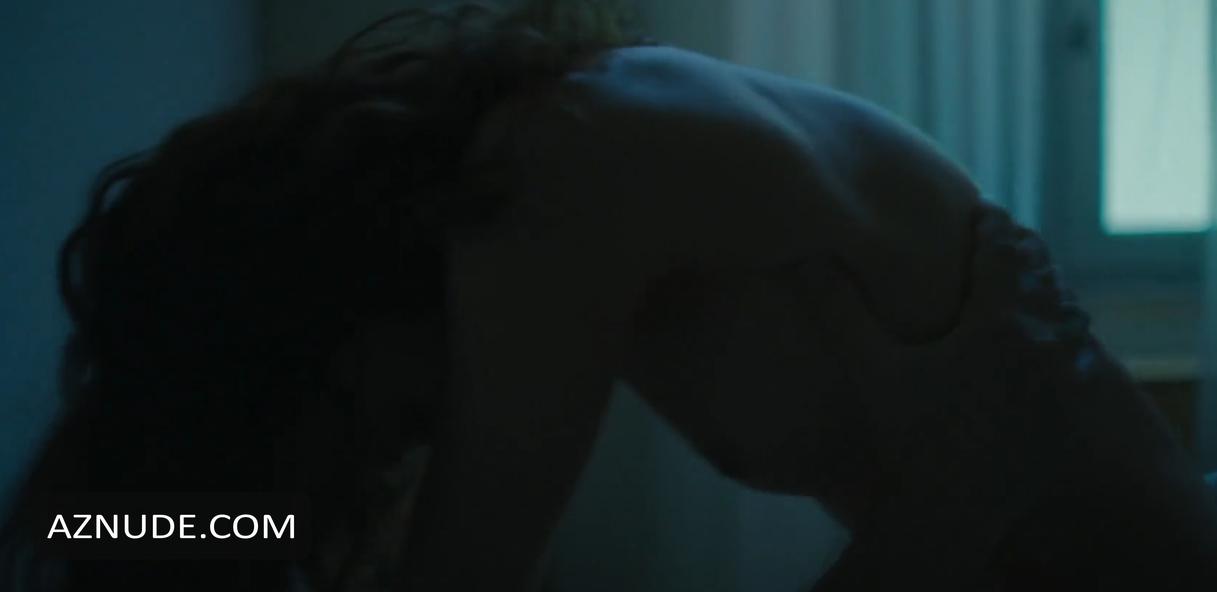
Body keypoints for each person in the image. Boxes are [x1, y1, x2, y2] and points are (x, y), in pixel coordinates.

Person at [1, 1, 1214, 590]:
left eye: (376, 421)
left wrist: (121, 523)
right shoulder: (557, 151)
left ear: (321, 307)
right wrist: (95, 517)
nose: (403, 447)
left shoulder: (556, 188)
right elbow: (246, 521)